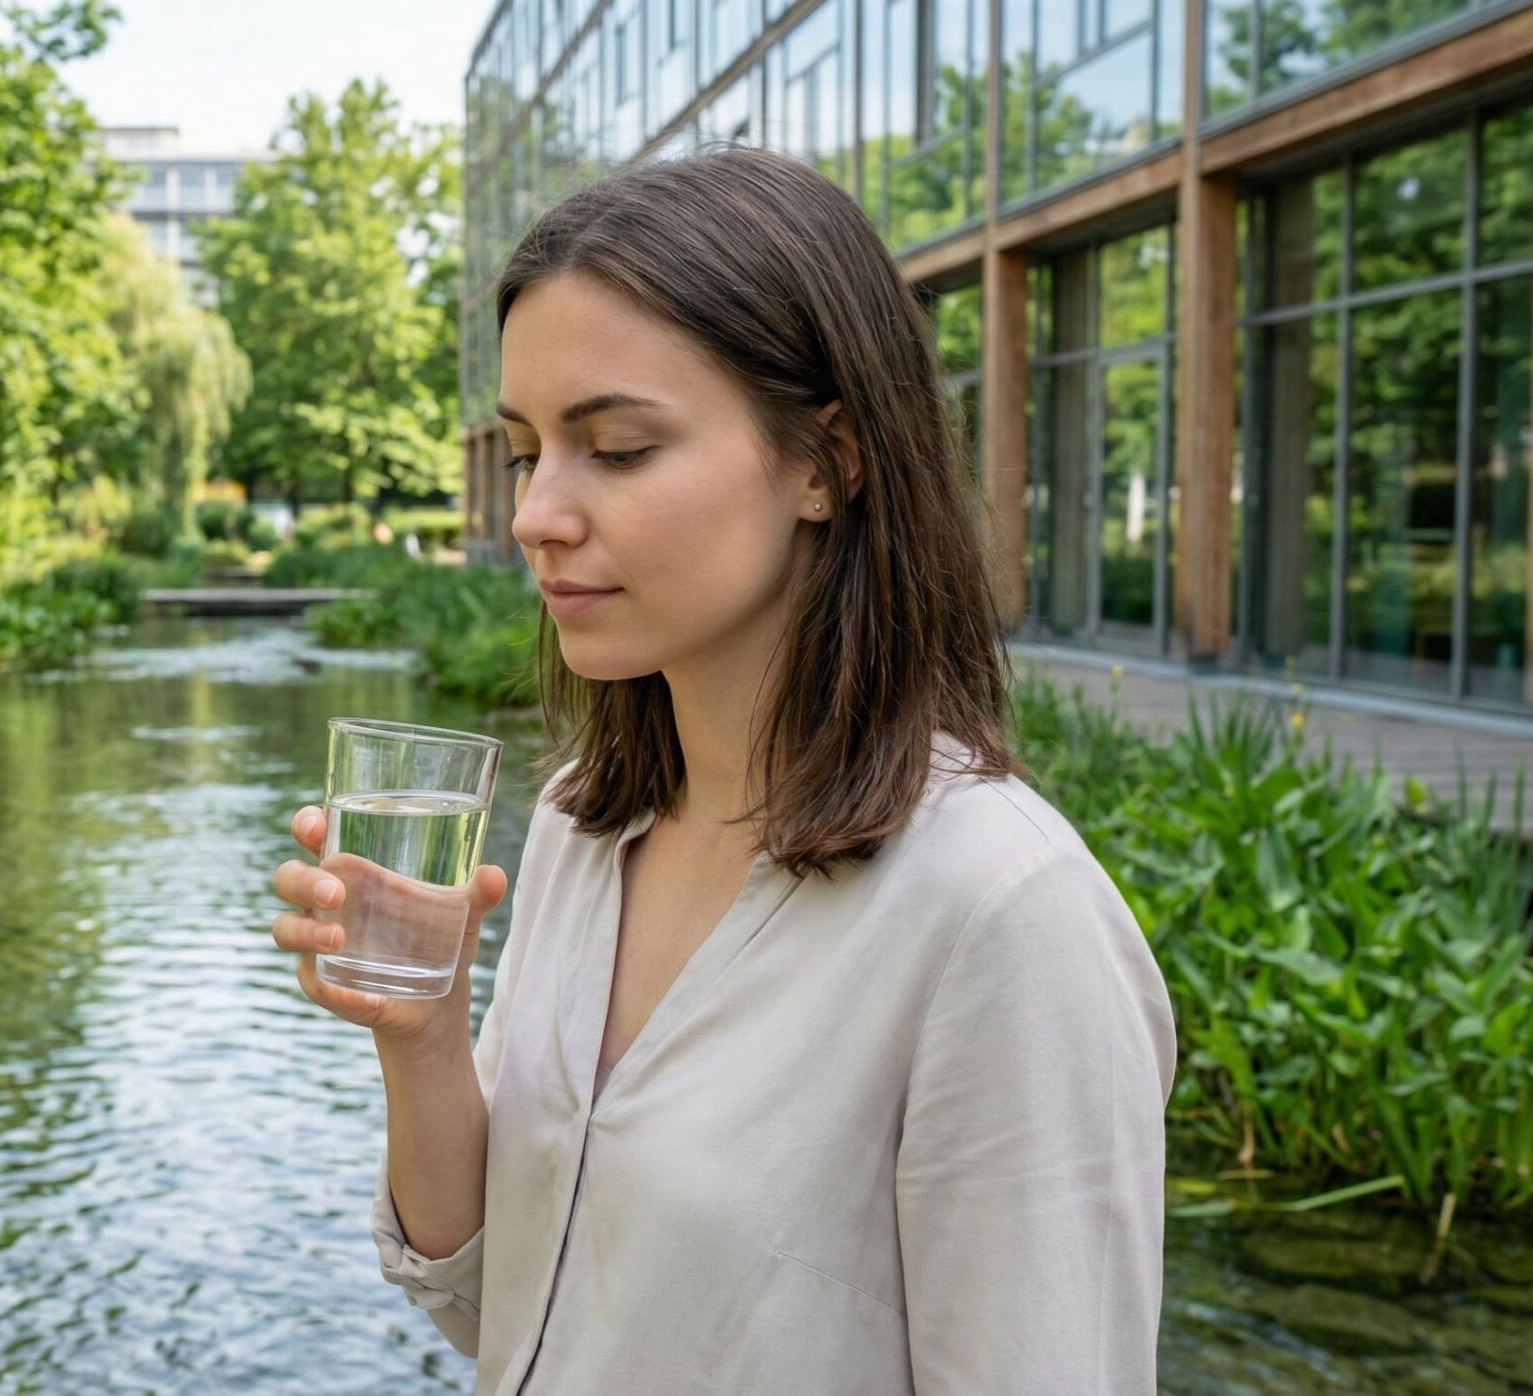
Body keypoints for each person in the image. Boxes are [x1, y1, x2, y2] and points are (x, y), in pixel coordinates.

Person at [264, 146, 1177, 1394]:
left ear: (825, 462)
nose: (535, 513)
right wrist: (421, 1036)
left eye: (619, 448)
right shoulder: (584, 825)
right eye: (530, 451)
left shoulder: (1002, 919)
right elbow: (485, 1303)